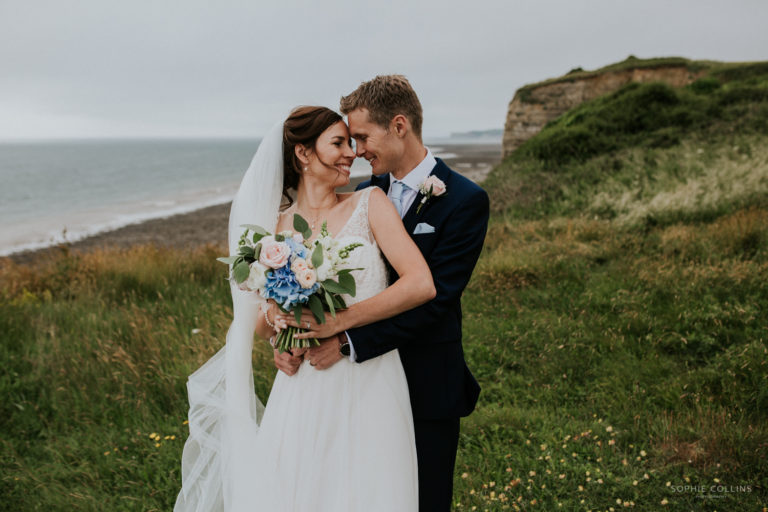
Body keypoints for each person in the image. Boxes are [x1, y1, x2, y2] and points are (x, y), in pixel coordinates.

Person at [174, 106, 435, 511]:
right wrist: (280, 328)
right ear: (303, 154)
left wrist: (339, 322)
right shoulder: (271, 230)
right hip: (301, 387)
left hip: (371, 380)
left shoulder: (371, 203)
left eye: (352, 143)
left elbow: (420, 283)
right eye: (338, 143)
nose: (350, 152)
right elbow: (260, 325)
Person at [277, 75, 490, 511]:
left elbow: (436, 299)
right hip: (357, 387)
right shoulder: (362, 196)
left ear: (398, 126)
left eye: (361, 137)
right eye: (347, 140)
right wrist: (291, 339)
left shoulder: (466, 200)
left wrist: (347, 340)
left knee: (424, 500)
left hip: (426, 377)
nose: (356, 151)